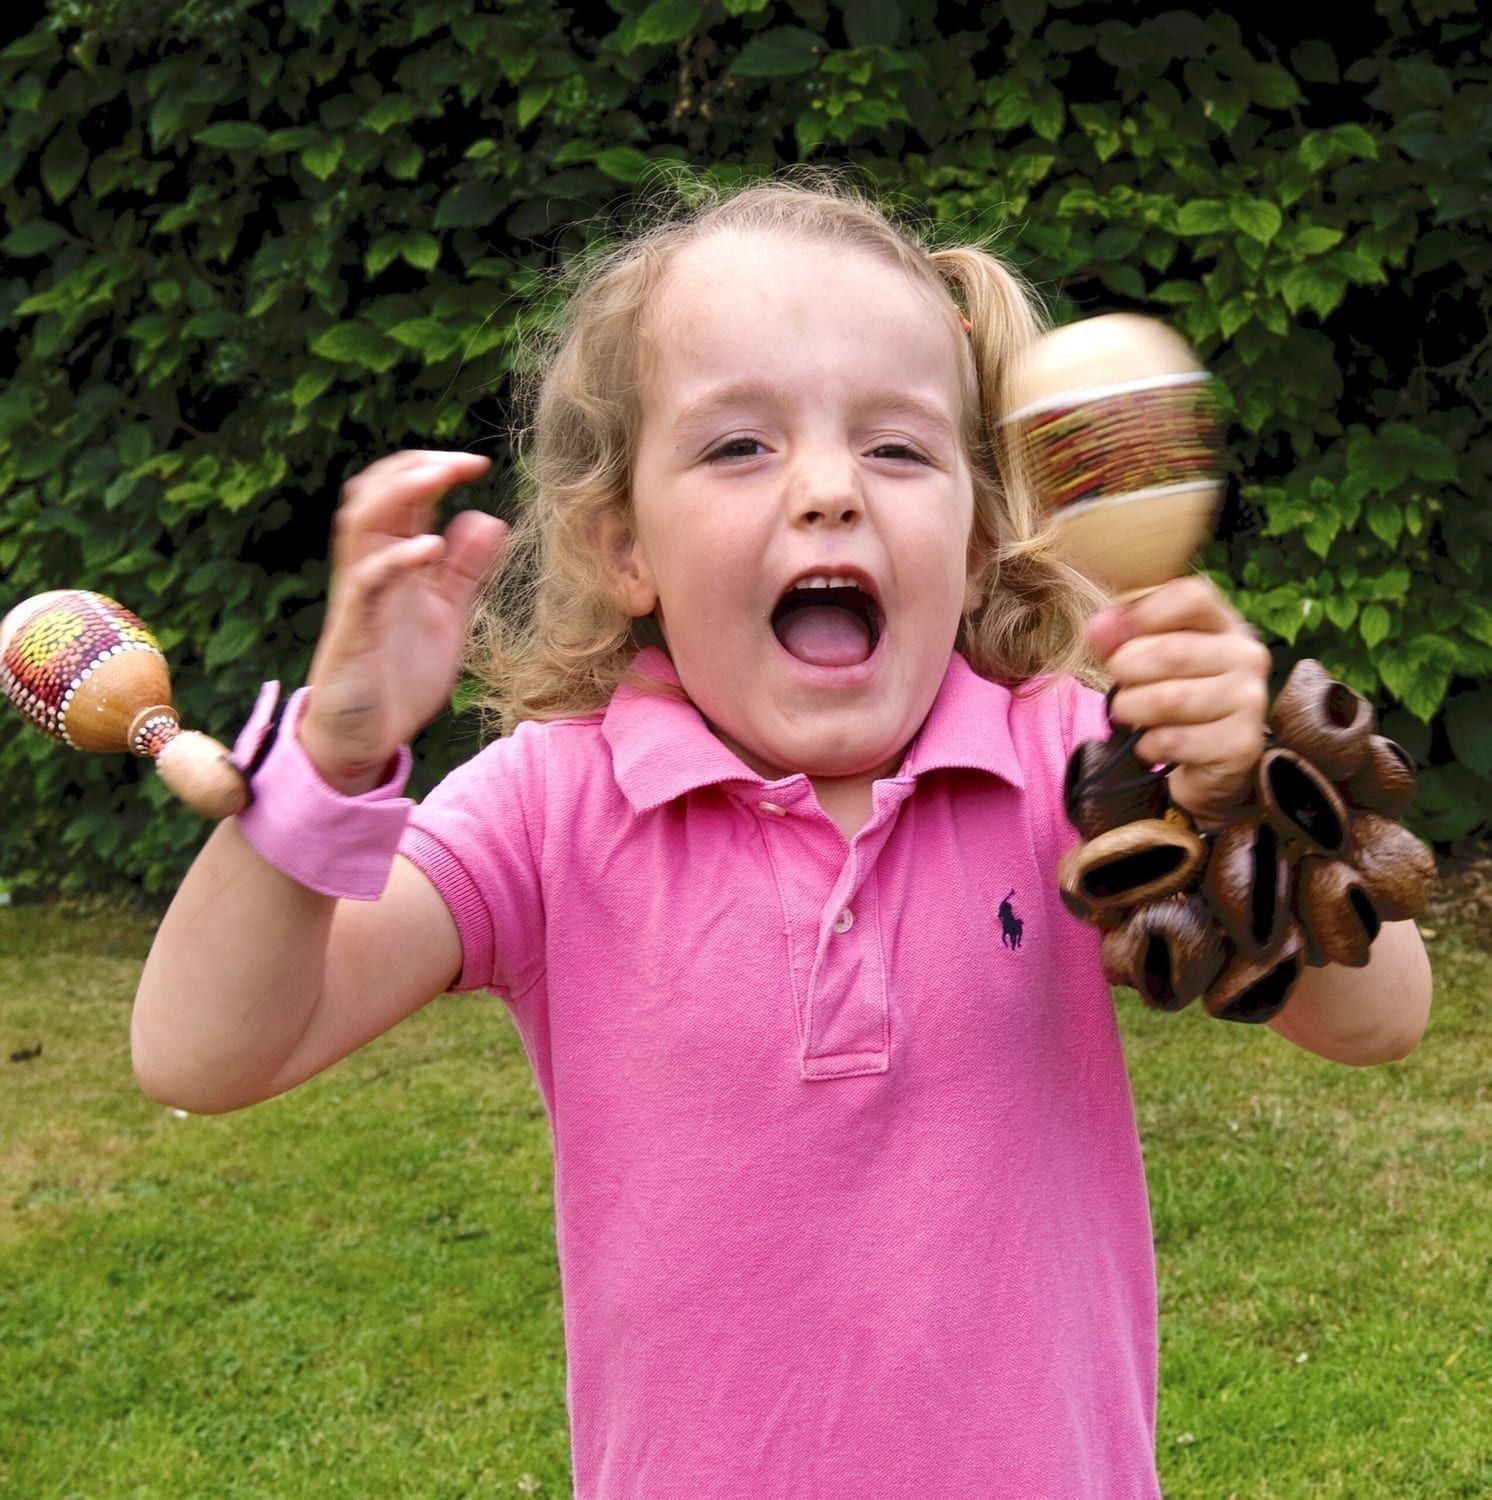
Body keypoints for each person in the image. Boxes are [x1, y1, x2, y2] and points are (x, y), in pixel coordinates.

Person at [132, 171, 1433, 1498]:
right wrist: (332, 760)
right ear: (625, 546)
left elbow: (1377, 1018)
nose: (827, 490)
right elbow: (205, 1049)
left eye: (898, 448)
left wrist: (1236, 790)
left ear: (980, 543)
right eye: (739, 446)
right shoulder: (547, 809)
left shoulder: (1074, 771)